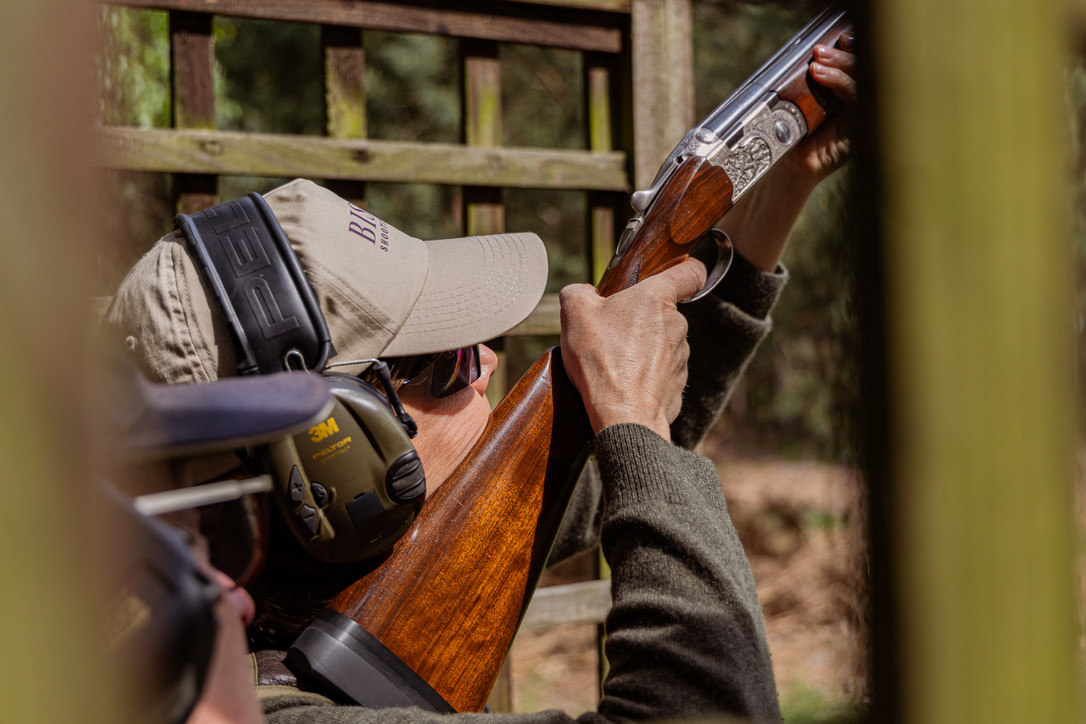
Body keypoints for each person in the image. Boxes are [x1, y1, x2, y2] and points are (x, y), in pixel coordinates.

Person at [102, 36, 856, 724]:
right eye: (450, 364)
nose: (490, 361)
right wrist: (632, 415)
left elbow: (622, 475)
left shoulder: (244, 629)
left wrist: (782, 180)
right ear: (337, 461)